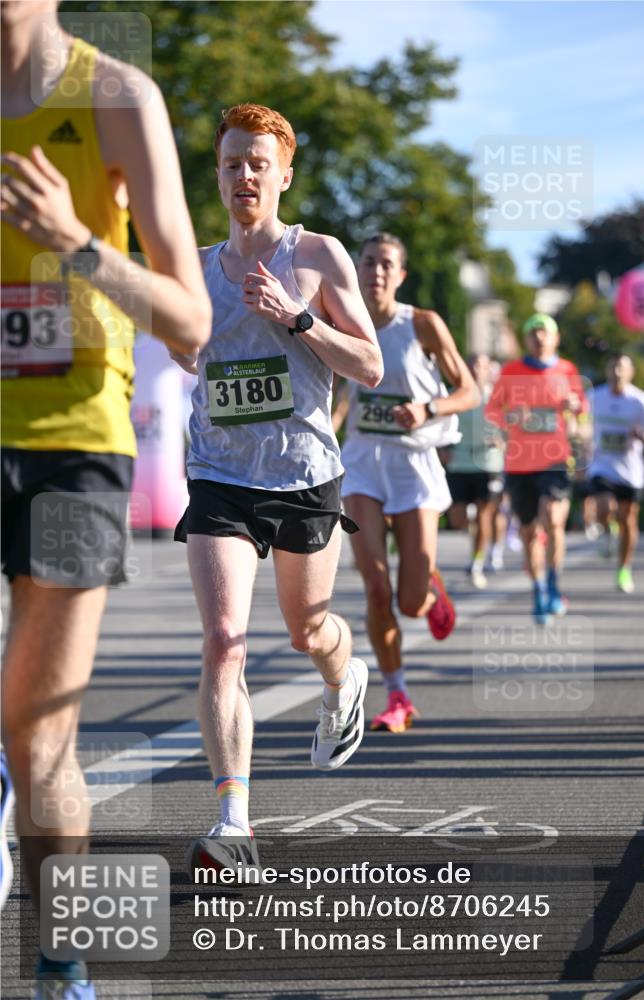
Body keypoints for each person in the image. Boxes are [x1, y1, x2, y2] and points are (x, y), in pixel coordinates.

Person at [1, 3, 212, 996]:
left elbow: (192, 321)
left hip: (73, 449)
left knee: (40, 735)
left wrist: (76, 240)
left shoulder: (119, 96)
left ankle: (61, 961)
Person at [170, 104, 383, 873]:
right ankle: (234, 823)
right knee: (223, 641)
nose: (244, 176)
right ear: (218, 175)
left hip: (303, 475)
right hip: (220, 476)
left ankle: (342, 675)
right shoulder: (193, 268)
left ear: (283, 175)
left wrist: (298, 319)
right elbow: (186, 354)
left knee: (306, 631)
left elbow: (369, 366)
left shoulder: (317, 255)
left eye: (258, 164)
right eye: (231, 164)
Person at [332, 233, 478, 734]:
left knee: (410, 603)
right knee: (376, 588)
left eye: (386, 264)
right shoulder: (341, 321)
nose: (376, 271)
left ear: (400, 275)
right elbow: (337, 396)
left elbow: (469, 391)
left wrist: (428, 408)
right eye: (368, 262)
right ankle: (398, 696)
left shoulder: (422, 324)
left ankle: (431, 590)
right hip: (362, 462)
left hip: (413, 462)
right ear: (356, 269)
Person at [485, 314, 588, 625]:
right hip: (519, 463)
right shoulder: (511, 371)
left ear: (556, 338)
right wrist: (509, 420)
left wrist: (574, 409)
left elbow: (582, 416)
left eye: (545, 332)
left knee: (554, 520)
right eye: (533, 333)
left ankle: (554, 583)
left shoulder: (567, 370)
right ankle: (539, 589)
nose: (539, 338)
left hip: (555, 459)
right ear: (526, 339)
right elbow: (492, 411)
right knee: (529, 532)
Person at [587, 353, 644, 593]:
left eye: (621, 368)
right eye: (612, 367)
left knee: (628, 519)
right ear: (607, 371)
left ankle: (624, 569)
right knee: (603, 507)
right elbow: (581, 424)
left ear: (631, 373)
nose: (617, 372)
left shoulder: (639, 400)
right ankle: (607, 528)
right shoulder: (594, 397)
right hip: (601, 466)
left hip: (630, 471)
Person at [444, 353, 505, 589]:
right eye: (471, 365)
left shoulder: (498, 397)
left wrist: (504, 439)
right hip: (459, 462)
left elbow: (514, 425)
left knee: (484, 515)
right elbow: (439, 423)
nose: (475, 369)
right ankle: (470, 523)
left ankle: (477, 563)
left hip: (488, 463)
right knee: (457, 518)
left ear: (489, 369)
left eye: (481, 365)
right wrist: (441, 448)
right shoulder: (454, 394)